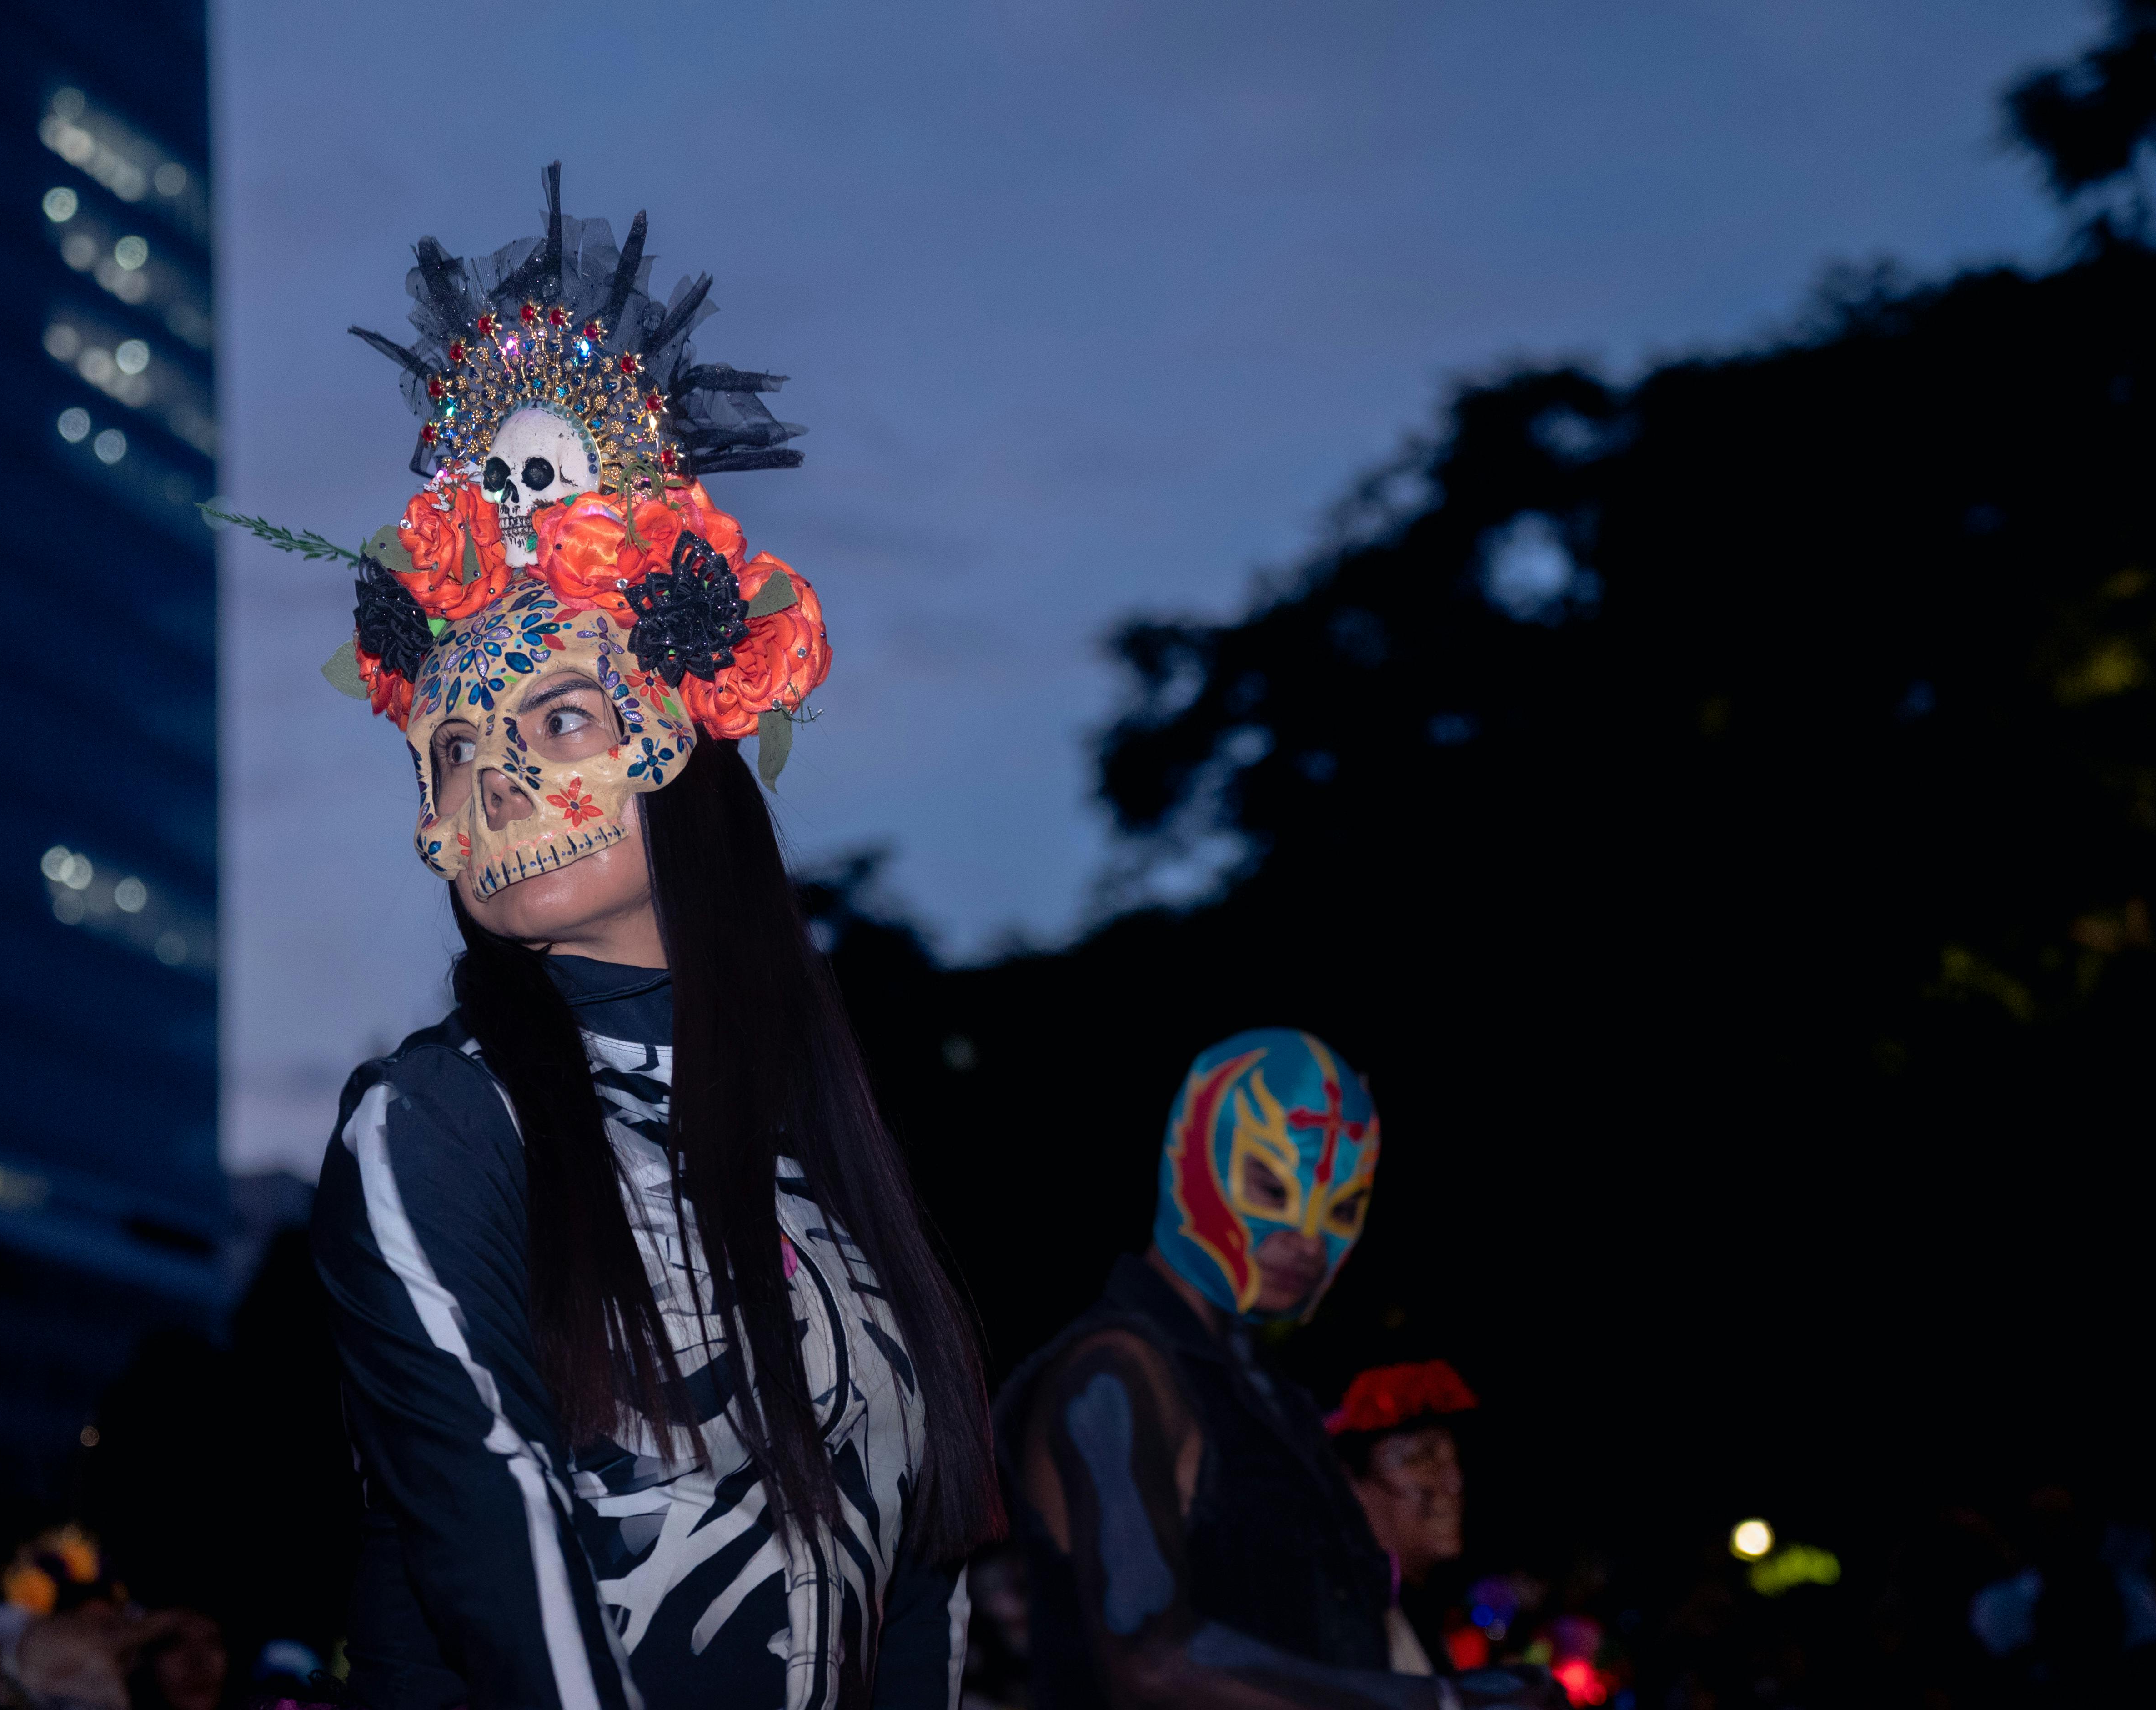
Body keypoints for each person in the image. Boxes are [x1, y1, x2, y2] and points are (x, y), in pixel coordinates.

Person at [305, 165, 1001, 1710]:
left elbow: (920, 1602)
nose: (494, 782)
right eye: (447, 751)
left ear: (677, 730)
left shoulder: (829, 1156)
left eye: (555, 716)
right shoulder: (434, 1127)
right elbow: (491, 1556)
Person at [994, 1031, 1560, 1710]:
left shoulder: (1267, 1394)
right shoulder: (1115, 1372)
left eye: (1341, 1208)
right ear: (1195, 1151)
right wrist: (1442, 1703)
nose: (1306, 1237)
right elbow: (1148, 1659)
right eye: (1270, 1184)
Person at [1327, 1361, 1481, 1675]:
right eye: (1419, 1458)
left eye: (1452, 1459)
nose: (1453, 1482)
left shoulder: (1430, 1613)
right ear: (1348, 1483)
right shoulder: (1341, 1624)